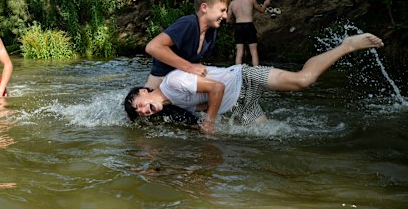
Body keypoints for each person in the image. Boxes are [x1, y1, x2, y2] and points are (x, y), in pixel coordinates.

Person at [125, 33, 384, 134]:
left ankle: (346, 45)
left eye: (139, 105)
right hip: (241, 107)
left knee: (303, 80)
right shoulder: (172, 99)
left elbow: (217, 88)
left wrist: (210, 123)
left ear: (144, 91)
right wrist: (207, 113)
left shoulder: (172, 82)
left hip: (245, 78)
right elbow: (207, 97)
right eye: (139, 113)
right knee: (279, 135)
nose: (142, 111)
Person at [144, 0, 231, 89]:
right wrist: (189, 67)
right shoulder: (188, 23)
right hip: (159, 87)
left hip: (182, 87)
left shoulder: (211, 31)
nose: (226, 16)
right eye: (222, 10)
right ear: (204, 7)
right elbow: (153, 47)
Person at [227, 0, 271, 66]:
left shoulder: (232, 3)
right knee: (253, 51)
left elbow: (228, 20)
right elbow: (261, 10)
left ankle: (237, 74)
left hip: (238, 26)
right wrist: (265, 4)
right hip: (249, 25)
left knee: (239, 52)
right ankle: (256, 71)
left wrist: (234, 23)